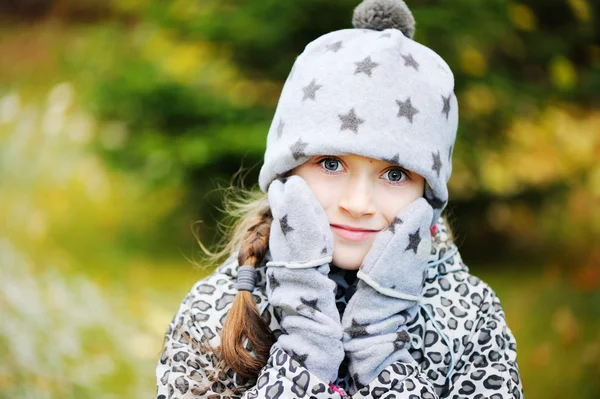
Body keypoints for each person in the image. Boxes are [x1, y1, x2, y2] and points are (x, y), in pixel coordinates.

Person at [156, 0, 524, 398]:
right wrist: (304, 353)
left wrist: (382, 355)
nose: (358, 202)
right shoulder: (215, 311)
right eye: (331, 164)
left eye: (395, 174)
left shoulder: (469, 316)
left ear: (427, 195)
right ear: (287, 173)